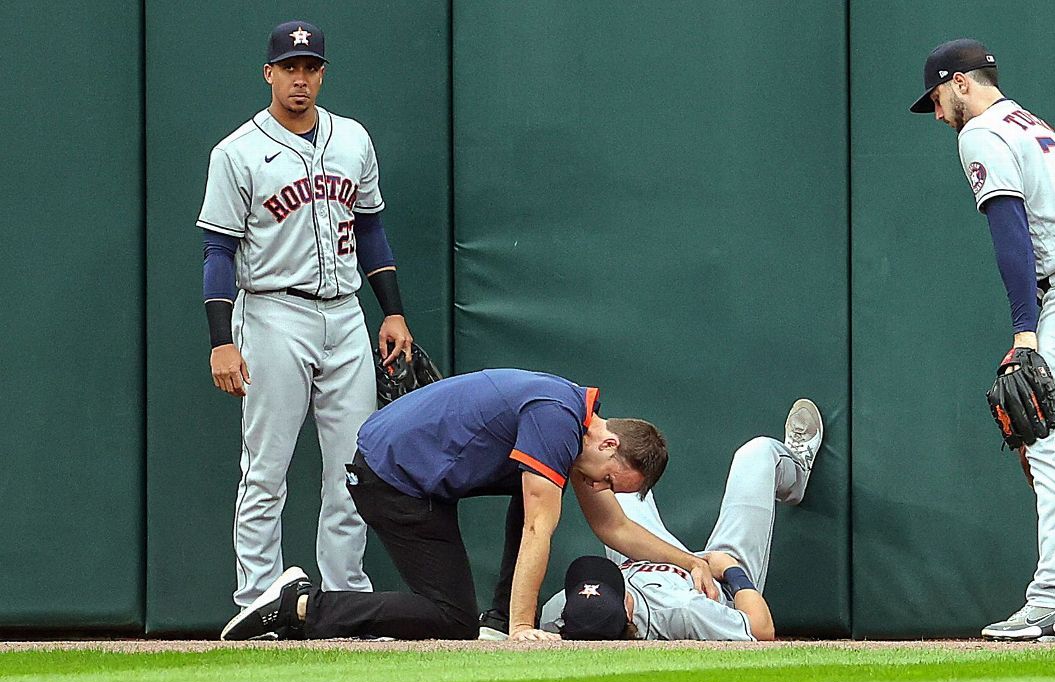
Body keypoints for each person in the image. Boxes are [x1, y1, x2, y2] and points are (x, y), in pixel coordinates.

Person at [911, 39, 1055, 642]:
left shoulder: (981, 132)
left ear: (960, 82)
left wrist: (1025, 331)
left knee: (1053, 454)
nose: (937, 114)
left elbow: (1009, 232)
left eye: (936, 97)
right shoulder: (1028, 121)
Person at [218, 368, 721, 642]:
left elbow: (613, 529)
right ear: (610, 445)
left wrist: (691, 561)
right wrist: (527, 629)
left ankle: (497, 622)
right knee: (448, 618)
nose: (603, 488)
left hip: (416, 479)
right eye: (611, 481)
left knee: (537, 498)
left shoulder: (574, 428)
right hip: (388, 479)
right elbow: (536, 532)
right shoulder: (556, 418)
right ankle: (300, 607)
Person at [197, 20, 416, 608]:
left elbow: (369, 228)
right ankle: (257, 598)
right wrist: (222, 340)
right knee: (266, 469)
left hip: (345, 315)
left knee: (353, 470)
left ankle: (345, 593)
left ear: (322, 73)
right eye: (290, 68)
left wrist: (391, 312)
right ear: (269, 73)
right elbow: (219, 249)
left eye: (311, 67)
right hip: (273, 314)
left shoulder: (352, 140)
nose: (301, 79)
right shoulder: (237, 152)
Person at [538, 399, 823, 641]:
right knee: (757, 453)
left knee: (615, 479)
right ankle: (796, 468)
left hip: (644, 555)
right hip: (716, 578)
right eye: (610, 587)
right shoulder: (684, 612)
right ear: (626, 609)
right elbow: (761, 629)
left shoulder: (561, 614)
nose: (596, 583)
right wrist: (732, 571)